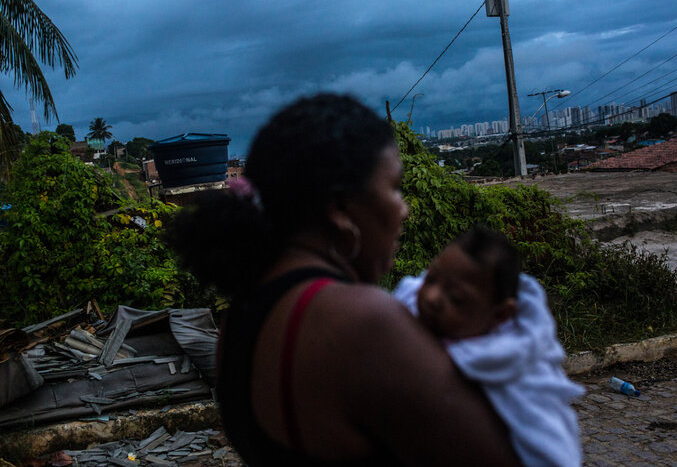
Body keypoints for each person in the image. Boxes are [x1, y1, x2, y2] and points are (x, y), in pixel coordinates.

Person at [166, 94, 520, 466]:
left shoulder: (238, 320)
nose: (405, 208)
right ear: (339, 210)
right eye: (394, 188)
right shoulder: (364, 323)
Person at [394, 226, 584, 467]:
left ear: (500, 315)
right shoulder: (406, 302)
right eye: (430, 278)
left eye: (457, 299)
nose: (432, 297)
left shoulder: (514, 359)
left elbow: (552, 448)